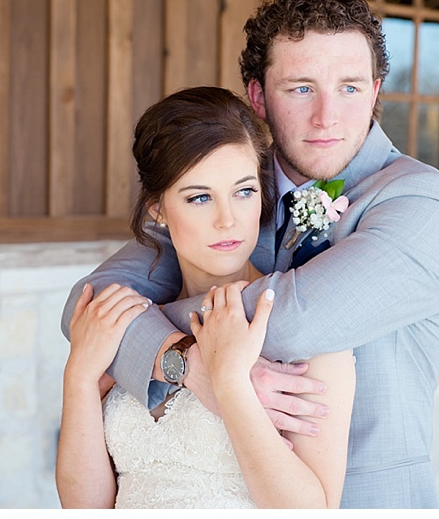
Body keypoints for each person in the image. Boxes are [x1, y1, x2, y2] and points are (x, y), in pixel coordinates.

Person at [61, 0, 439, 508]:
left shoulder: (425, 202)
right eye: (301, 88)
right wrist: (182, 362)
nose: (328, 116)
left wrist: (139, 328)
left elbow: (297, 320)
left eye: (349, 87)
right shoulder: (228, 186)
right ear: (257, 97)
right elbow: (88, 302)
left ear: (374, 91)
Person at [55, 86, 356, 509]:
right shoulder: (129, 327)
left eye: (244, 191)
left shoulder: (302, 330)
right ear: (157, 209)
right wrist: (79, 380)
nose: (227, 219)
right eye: (200, 197)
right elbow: (84, 508)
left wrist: (230, 384)